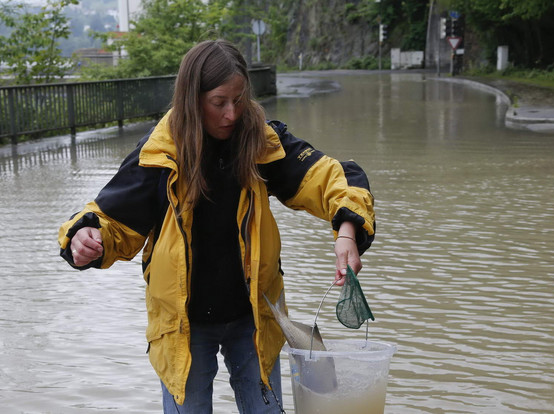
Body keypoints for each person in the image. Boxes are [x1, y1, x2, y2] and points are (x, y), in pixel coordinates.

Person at [58, 39, 375, 413]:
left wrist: (347, 233)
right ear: (193, 99)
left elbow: (334, 178)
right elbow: (110, 220)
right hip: (184, 326)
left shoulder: (261, 141)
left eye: (239, 100)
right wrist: (84, 237)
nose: (232, 114)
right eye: (219, 102)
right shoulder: (160, 153)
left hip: (252, 316)